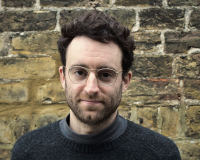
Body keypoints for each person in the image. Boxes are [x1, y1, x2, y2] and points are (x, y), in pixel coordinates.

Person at [11, 10, 181, 160]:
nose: (91, 88)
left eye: (106, 75)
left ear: (125, 81)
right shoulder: (28, 151)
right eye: (79, 72)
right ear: (63, 77)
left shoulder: (160, 154)